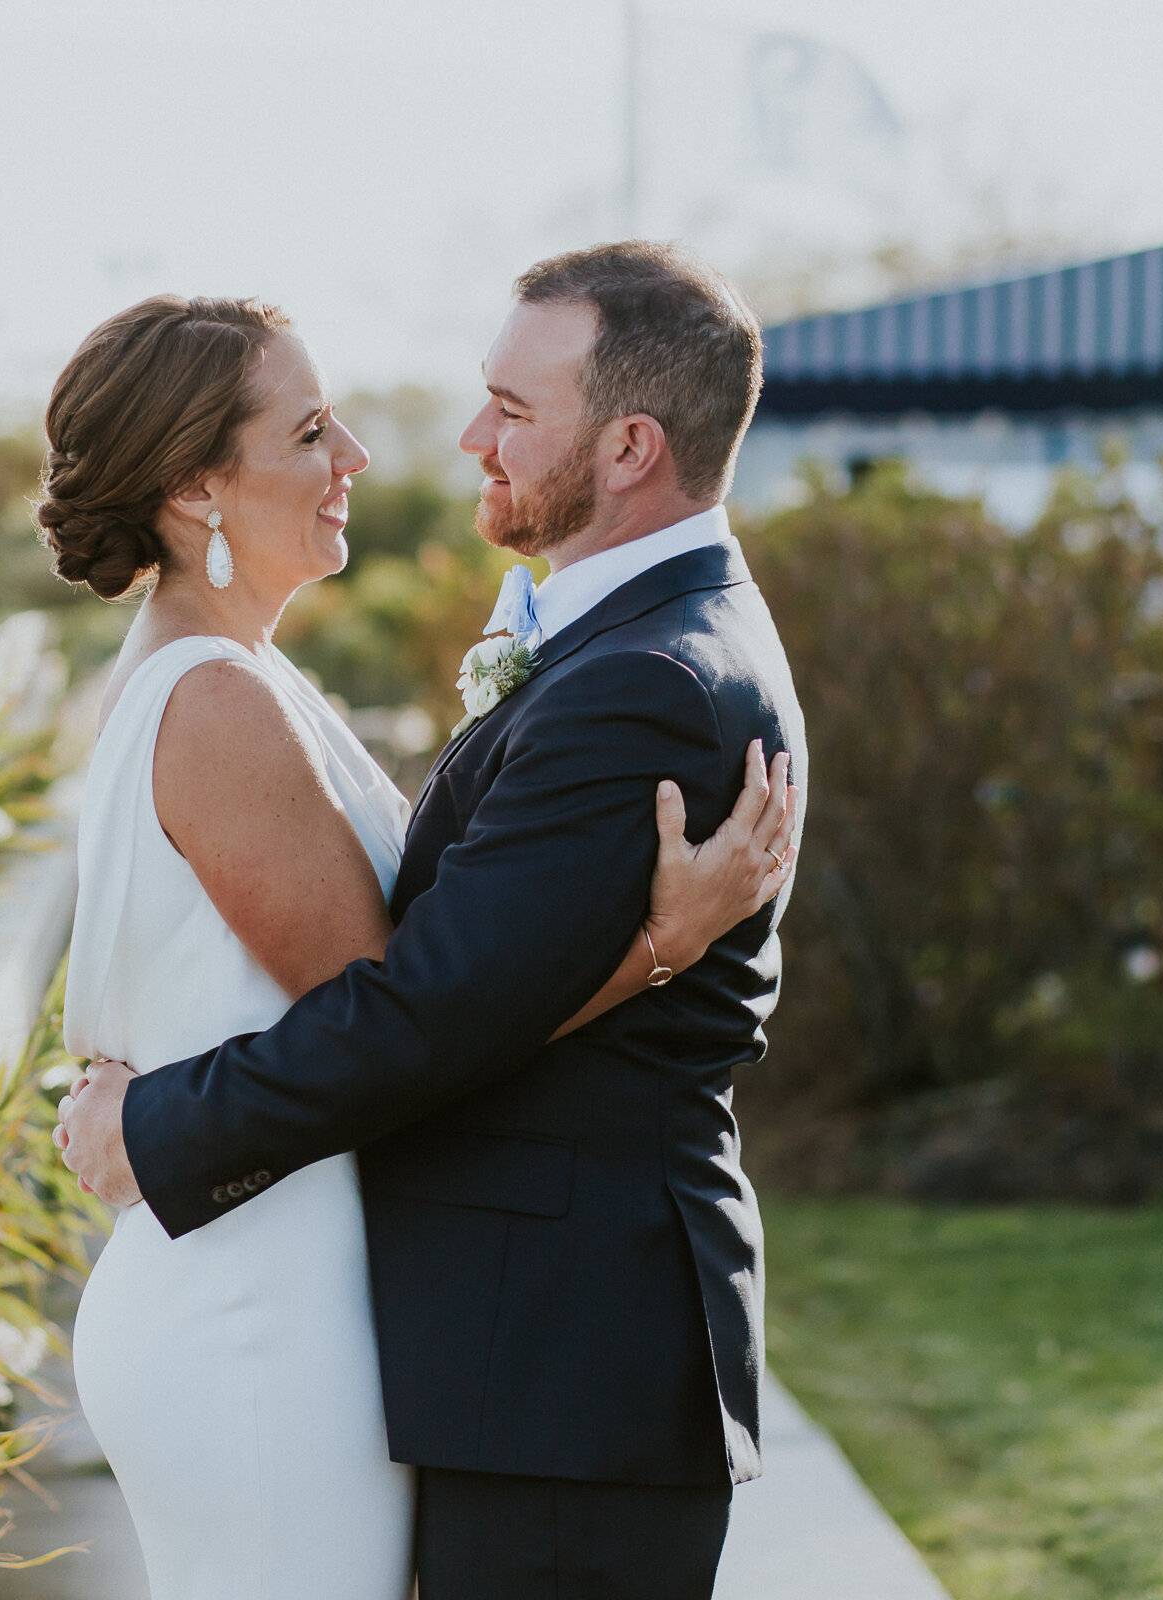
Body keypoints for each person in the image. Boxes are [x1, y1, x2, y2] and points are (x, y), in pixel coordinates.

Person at [46, 256, 803, 1600]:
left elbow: (425, 1013)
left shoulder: (632, 672)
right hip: (266, 1311)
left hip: (533, 1355)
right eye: (309, 430)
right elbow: (419, 1007)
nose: (412, 446)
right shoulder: (221, 696)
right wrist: (652, 949)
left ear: (631, 446)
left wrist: (661, 949)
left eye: (510, 406)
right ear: (196, 489)